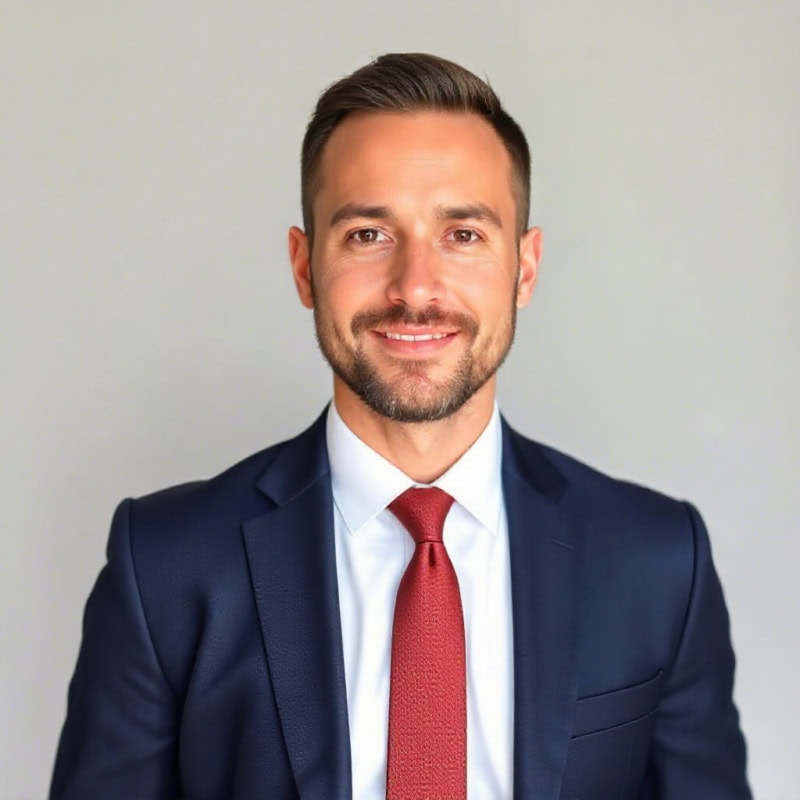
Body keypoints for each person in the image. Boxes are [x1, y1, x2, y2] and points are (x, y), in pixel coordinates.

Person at [49, 52, 751, 799]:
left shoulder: (658, 562)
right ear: (303, 266)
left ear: (525, 267)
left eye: (463, 235)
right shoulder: (162, 567)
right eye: (368, 235)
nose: (416, 288)